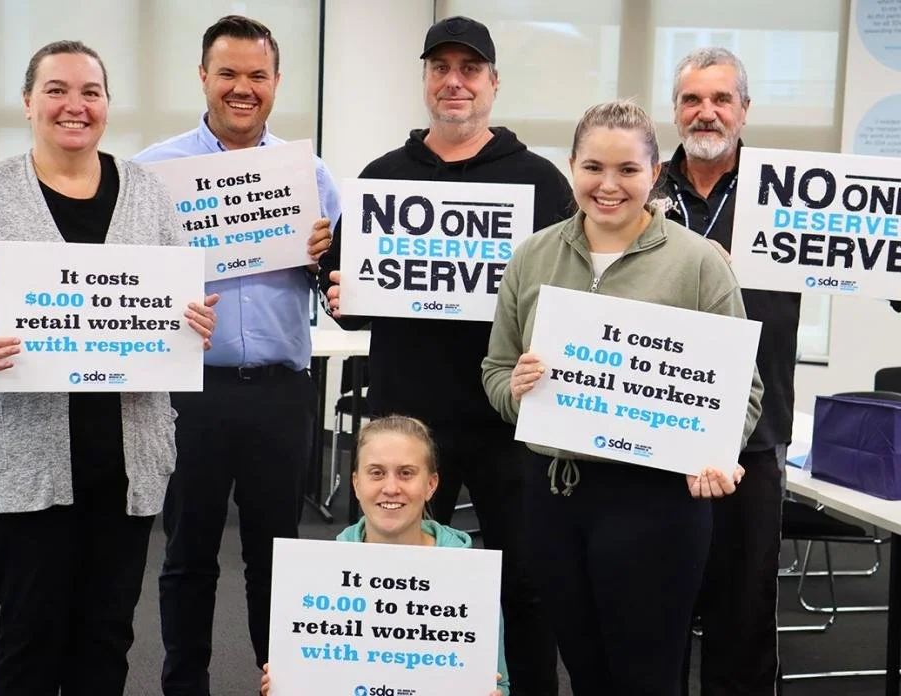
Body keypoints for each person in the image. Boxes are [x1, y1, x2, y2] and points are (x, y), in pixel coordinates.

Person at [320, 16, 573, 694]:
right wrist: (340, 291)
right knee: (394, 583)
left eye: (469, 69)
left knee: (524, 583)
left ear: (493, 83)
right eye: (441, 68)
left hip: (512, 421)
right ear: (427, 79)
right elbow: (344, 291)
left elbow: (575, 290)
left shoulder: (541, 182)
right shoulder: (385, 177)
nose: (454, 81)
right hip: (408, 422)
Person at [481, 100, 763, 696]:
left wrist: (719, 449)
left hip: (656, 502)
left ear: (655, 172)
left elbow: (745, 391)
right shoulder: (532, 257)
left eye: (628, 170)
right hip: (555, 497)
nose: (608, 186)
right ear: (571, 167)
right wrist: (516, 389)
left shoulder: (698, 263)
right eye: (592, 168)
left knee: (648, 677)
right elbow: (496, 368)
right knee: (585, 671)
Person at [0, 40, 216, 696]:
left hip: (127, 462)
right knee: (30, 633)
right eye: (56, 89)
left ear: (107, 105)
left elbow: (175, 301)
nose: (74, 105)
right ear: (27, 102)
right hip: (26, 462)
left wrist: (192, 323)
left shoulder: (146, 192)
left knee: (108, 636)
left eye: (90, 91)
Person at [132, 15, 341, 695]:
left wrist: (325, 262)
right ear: (203, 77)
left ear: (277, 83)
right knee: (188, 554)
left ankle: (278, 681)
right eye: (228, 73)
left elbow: (343, 294)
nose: (242, 88)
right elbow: (126, 287)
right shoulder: (154, 174)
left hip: (281, 391)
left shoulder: (309, 176)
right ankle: (183, 684)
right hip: (189, 389)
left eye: (257, 75)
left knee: (278, 557)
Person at [652, 47, 797, 695]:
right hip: (652, 426)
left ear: (744, 110)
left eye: (720, 99)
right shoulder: (639, 186)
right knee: (655, 611)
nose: (705, 112)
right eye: (691, 100)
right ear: (674, 109)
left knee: (743, 616)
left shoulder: (789, 194)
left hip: (753, 434)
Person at [260, 415, 509, 696]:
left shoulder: (470, 576)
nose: (391, 488)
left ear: (431, 484)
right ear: (356, 483)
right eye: (376, 473)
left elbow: (498, 681)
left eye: (406, 473)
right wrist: (283, 685)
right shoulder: (320, 575)